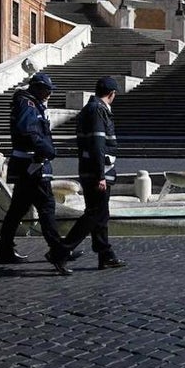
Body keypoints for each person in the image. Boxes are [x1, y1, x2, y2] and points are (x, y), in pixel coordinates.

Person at [0, 71, 79, 272]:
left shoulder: (31, 103)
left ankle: (5, 250)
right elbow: (28, 131)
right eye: (47, 90)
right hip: (32, 165)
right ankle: (58, 251)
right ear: (37, 88)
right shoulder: (28, 104)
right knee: (46, 207)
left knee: (18, 210)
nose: (50, 93)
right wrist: (47, 149)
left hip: (28, 165)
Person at [62, 76, 126, 270]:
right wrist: (100, 176)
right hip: (98, 171)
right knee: (95, 214)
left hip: (91, 169)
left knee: (100, 214)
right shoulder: (98, 110)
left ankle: (105, 254)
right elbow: (98, 145)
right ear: (112, 94)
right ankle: (61, 251)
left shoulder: (90, 109)